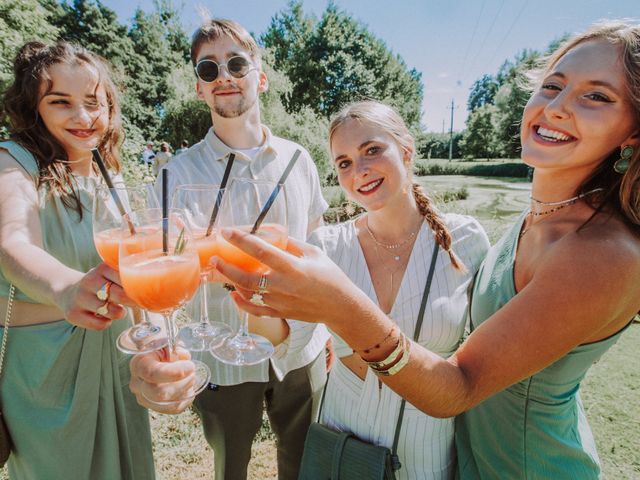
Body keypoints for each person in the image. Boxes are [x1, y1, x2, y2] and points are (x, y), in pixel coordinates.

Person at [208, 21, 640, 479]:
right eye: (552, 85)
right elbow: (284, 335)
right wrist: (248, 289)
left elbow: (460, 383)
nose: (556, 107)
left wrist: (341, 306)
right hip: (426, 455)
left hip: (516, 465)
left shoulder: (594, 251)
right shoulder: (533, 222)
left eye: (597, 96)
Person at [129, 18, 330, 480]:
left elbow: (318, 247)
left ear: (259, 77)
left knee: (303, 462)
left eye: (236, 63)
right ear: (199, 89)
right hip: (219, 354)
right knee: (230, 467)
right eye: (208, 69)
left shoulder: (299, 160)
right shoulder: (173, 176)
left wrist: (330, 330)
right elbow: (158, 272)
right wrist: (159, 347)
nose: (224, 76)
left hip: (300, 347)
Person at [304, 101, 488, 479]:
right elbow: (289, 337)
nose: (360, 171)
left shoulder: (464, 240)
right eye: (344, 163)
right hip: (341, 445)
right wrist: (252, 298)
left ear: (406, 151)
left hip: (427, 449)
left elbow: (486, 357)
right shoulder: (326, 246)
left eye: (372, 150)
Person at [0, 42, 155, 479]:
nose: (84, 118)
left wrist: (154, 333)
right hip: (47, 368)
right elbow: (13, 243)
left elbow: (135, 262)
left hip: (119, 357)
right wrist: (66, 287)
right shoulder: (15, 162)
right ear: (34, 107)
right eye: (61, 102)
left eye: (94, 102)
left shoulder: (110, 173)